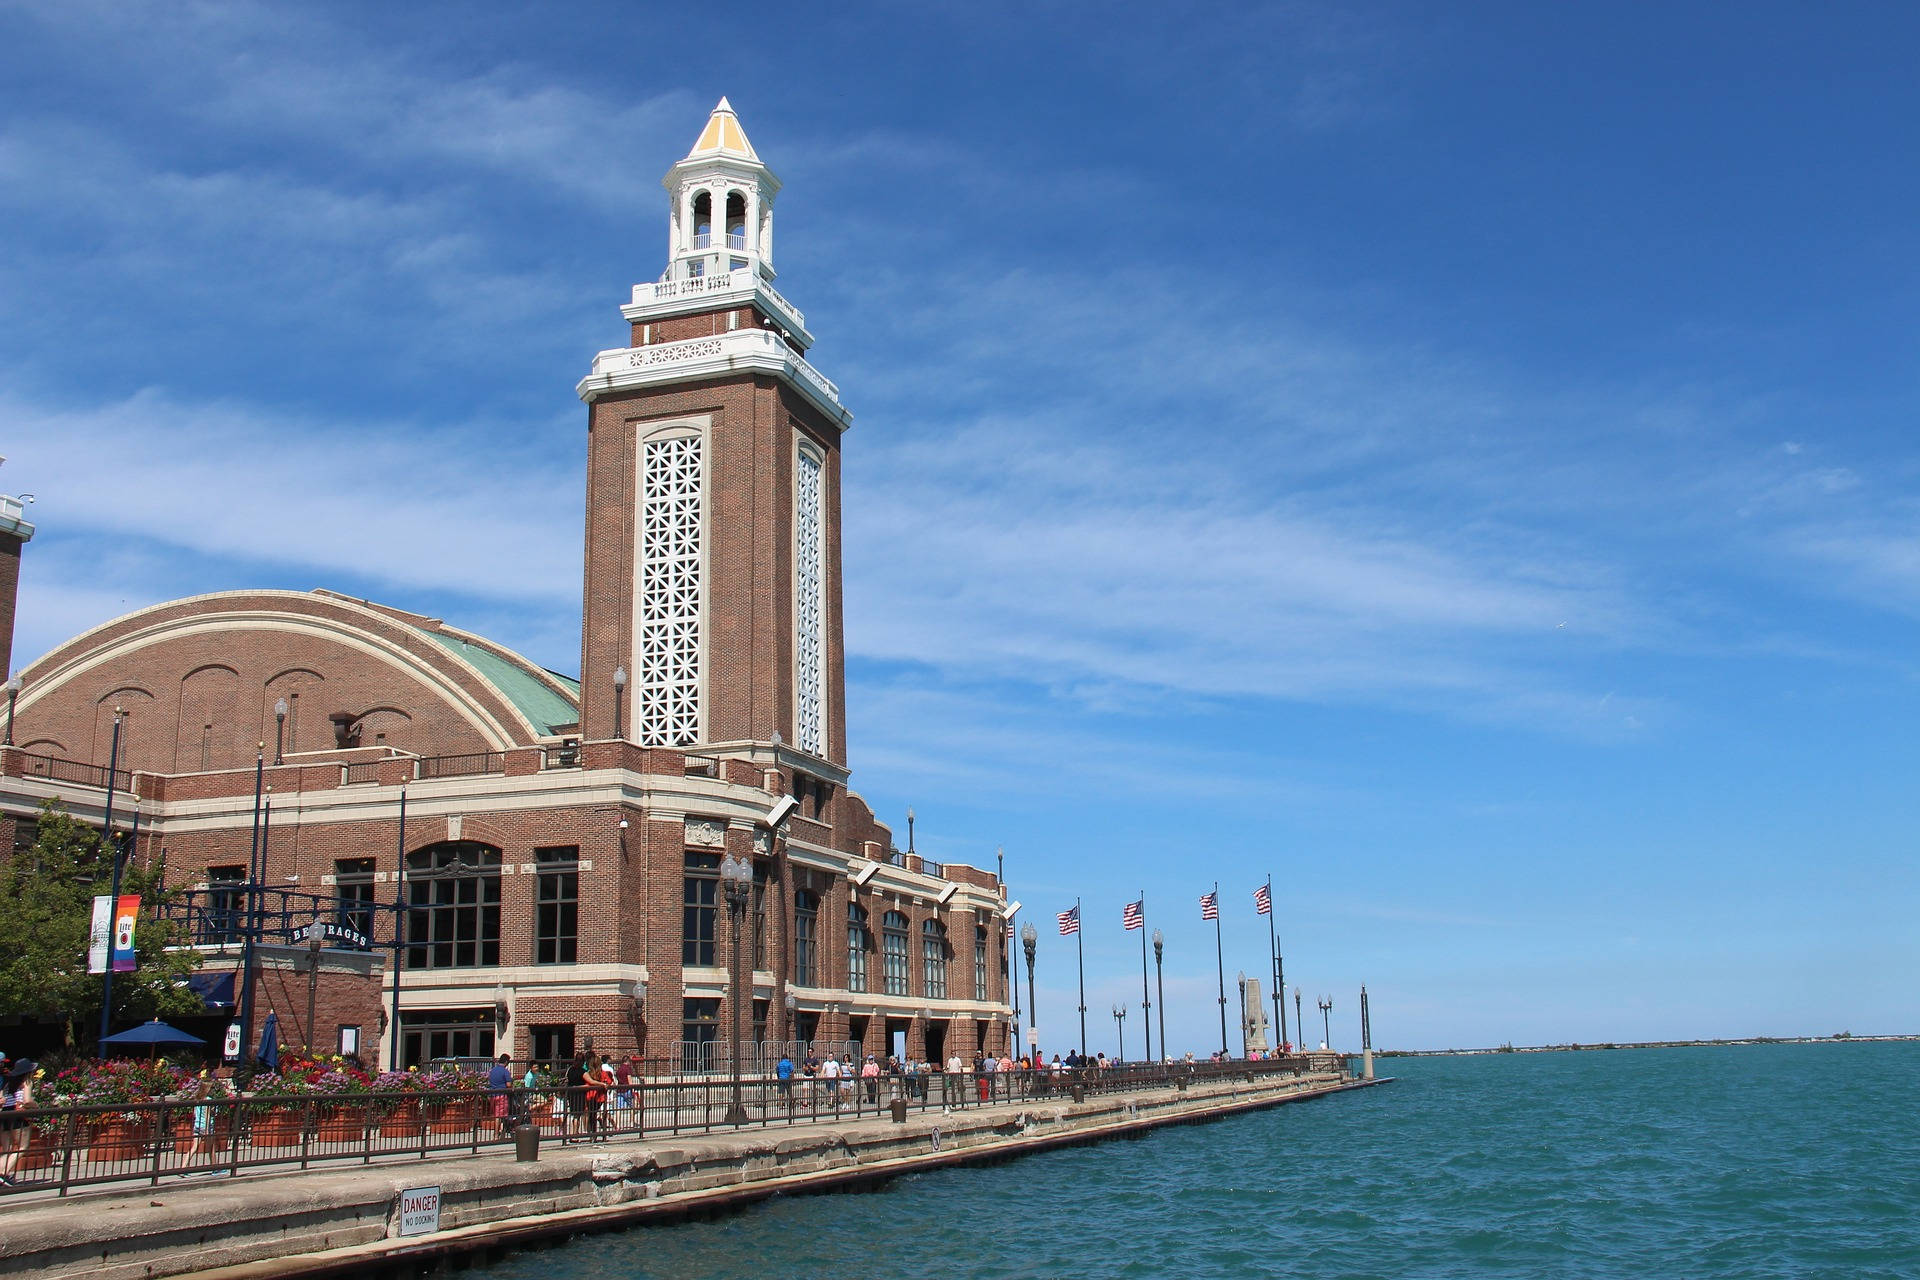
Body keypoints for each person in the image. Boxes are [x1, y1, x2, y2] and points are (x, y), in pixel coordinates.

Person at [0, 1056, 37, 1187]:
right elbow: (27, 1101)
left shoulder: (8, 1081)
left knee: (7, 1148)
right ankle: (3, 1172)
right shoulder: (26, 1082)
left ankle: (2, 1173)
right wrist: (35, 1105)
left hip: (5, 1114)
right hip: (18, 1115)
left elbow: (2, 1098)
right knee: (23, 1146)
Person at [488, 1053, 514, 1134]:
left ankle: (500, 1131)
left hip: (492, 1095)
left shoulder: (492, 1070)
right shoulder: (505, 1071)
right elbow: (509, 1085)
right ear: (506, 1062)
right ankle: (496, 1134)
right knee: (499, 1116)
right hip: (501, 1095)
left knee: (496, 1114)